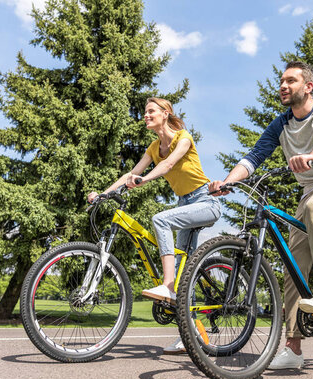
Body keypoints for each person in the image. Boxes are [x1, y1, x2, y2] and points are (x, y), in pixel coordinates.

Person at [209, 61, 313, 370]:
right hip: (311, 195)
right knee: (293, 264)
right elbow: (253, 157)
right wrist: (228, 181)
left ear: (308, 87)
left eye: (291, 80)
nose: (283, 85)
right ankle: (293, 349)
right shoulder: (281, 124)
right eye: (281, 80)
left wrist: (312, 156)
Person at [88, 97, 221, 354]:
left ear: (165, 113)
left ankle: (167, 286)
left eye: (151, 111)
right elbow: (130, 173)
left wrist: (144, 180)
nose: (146, 115)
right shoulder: (153, 147)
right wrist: (103, 194)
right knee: (187, 275)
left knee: (160, 219)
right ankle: (192, 335)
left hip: (205, 201)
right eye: (145, 112)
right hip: (185, 205)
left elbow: (168, 164)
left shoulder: (184, 137)